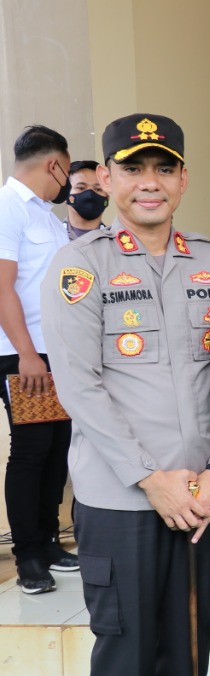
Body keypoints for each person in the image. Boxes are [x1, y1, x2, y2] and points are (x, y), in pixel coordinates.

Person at [42, 113, 210, 676]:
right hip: (120, 498)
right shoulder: (80, 267)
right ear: (107, 178)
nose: (150, 182)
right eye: (133, 168)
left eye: (164, 168)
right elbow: (80, 386)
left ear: (184, 178)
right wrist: (150, 477)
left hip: (200, 495)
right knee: (126, 643)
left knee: (187, 641)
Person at [0, 125, 74, 595]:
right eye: (66, 169)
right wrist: (27, 354)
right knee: (31, 450)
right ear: (54, 165)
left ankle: (48, 541)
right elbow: (1, 287)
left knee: (56, 448)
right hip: (22, 353)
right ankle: (28, 555)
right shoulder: (7, 207)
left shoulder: (45, 215)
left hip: (55, 351)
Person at [66, 159, 111, 239]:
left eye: (98, 189)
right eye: (81, 188)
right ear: (65, 194)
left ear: (107, 197)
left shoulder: (117, 242)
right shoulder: (50, 237)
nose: (90, 195)